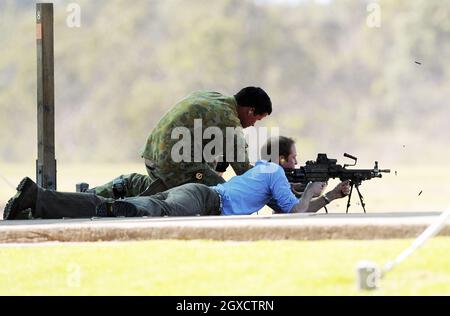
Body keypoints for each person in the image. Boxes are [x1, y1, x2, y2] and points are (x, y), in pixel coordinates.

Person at [3, 136, 350, 220]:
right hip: (203, 199)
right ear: (280, 160)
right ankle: (38, 200)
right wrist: (318, 189)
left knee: (114, 209)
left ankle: (37, 200)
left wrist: (329, 197)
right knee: (124, 213)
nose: (295, 165)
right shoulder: (273, 171)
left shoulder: (265, 171)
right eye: (293, 160)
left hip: (198, 193)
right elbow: (294, 217)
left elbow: (287, 209)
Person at [91, 87, 272, 199]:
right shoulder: (230, 122)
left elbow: (211, 145)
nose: (254, 124)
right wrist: (276, 182)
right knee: (222, 195)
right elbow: (244, 172)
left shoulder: (213, 97)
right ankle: (130, 197)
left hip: (153, 156)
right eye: (257, 119)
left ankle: (117, 189)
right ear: (250, 111)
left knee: (171, 188)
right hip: (172, 163)